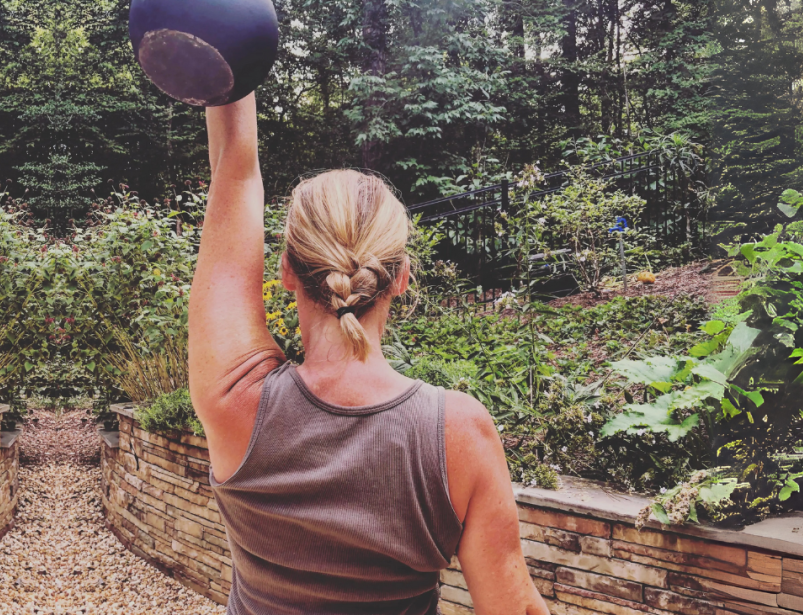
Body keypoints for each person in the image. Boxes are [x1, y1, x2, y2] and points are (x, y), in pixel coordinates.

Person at [188, 94, 550, 615]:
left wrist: (230, 74)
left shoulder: (235, 400)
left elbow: (235, 172)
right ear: (401, 278)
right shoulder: (460, 435)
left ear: (286, 270)